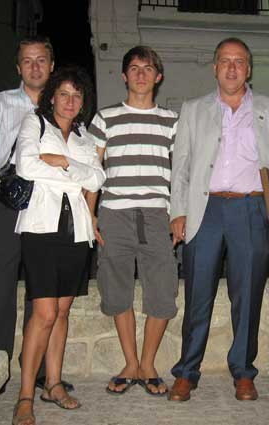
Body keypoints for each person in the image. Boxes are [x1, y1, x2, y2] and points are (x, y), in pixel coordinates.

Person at [168, 37, 269, 402]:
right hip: (204, 210)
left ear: (249, 68)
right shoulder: (193, 109)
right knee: (198, 294)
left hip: (250, 209)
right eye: (225, 61)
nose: (231, 68)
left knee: (248, 294)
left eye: (239, 61)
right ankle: (187, 372)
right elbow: (179, 166)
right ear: (214, 67)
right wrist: (177, 211)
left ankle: (243, 372)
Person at [0, 36, 73, 393]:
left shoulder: (62, 104)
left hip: (46, 207)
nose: (34, 67)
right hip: (7, 206)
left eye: (41, 60)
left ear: (52, 65)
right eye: (27, 61)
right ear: (18, 67)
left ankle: (41, 371)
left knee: (41, 289)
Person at [11, 66, 106, 425]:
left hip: (76, 232)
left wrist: (64, 161)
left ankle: (53, 384)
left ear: (83, 103)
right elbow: (25, 166)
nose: (70, 101)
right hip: (40, 229)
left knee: (62, 313)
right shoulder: (33, 125)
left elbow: (98, 177)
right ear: (52, 96)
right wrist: (75, 172)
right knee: (44, 313)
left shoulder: (83, 139)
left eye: (77, 96)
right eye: (64, 94)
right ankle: (25, 395)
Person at [87, 46, 178, 397]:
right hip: (114, 214)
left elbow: (181, 174)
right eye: (135, 68)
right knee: (116, 288)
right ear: (124, 76)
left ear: (158, 76)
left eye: (148, 68)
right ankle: (130, 363)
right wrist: (90, 214)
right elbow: (94, 171)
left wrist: (179, 215)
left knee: (163, 290)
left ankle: (149, 363)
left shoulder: (173, 121)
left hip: (158, 215)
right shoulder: (105, 118)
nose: (141, 73)